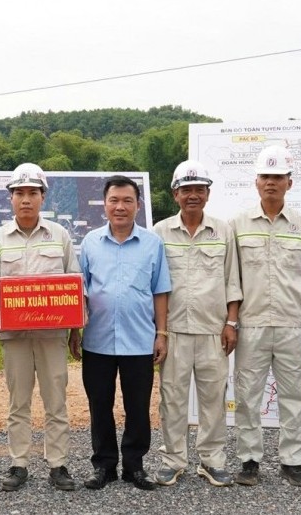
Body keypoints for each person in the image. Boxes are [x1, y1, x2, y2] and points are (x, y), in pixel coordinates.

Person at [70, 174, 171, 491]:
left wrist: (162, 333)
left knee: (138, 407)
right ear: (105, 205)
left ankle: (134, 466)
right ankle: (104, 466)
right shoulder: (90, 243)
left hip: (139, 339)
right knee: (99, 405)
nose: (120, 206)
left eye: (128, 200)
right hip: (97, 340)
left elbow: (161, 291)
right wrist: (75, 331)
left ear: (138, 205)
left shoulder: (152, 244)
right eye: (114, 200)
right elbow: (79, 292)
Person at [0, 163, 81, 492]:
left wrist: (76, 329)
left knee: (56, 400)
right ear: (10, 198)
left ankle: (58, 464)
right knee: (18, 401)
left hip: (52, 335)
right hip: (15, 337)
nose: (26, 199)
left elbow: (74, 282)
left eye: (32, 193)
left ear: (43, 197)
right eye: (19, 193)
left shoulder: (60, 236)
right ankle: (19, 463)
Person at [229, 143, 301, 487]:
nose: (271, 182)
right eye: (265, 176)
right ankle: (249, 460)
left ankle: (292, 461)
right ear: (256, 182)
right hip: (251, 324)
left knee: (294, 395)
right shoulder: (237, 225)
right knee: (248, 396)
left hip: (293, 326)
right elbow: (232, 279)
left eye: (278, 177)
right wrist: (232, 322)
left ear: (289, 182)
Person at [151, 161, 242, 488]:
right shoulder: (160, 232)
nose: (193, 195)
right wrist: (159, 331)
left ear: (208, 193)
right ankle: (173, 461)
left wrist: (231, 322)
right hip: (173, 330)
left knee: (213, 399)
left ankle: (212, 461)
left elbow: (233, 279)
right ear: (175, 194)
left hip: (212, 330)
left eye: (199, 189)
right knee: (172, 398)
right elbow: (155, 285)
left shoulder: (223, 231)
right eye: (186, 189)